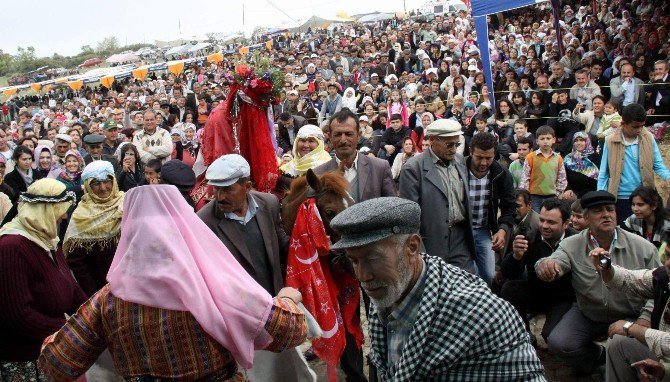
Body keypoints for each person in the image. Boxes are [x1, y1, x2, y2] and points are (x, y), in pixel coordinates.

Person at [37, 185, 310, 381]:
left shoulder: (109, 299)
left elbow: (57, 363)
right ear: (184, 227)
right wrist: (286, 298)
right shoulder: (215, 286)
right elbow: (291, 332)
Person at [329, 197, 545, 381]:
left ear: (412, 247)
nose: (362, 276)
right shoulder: (390, 293)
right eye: (354, 261)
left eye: (373, 259)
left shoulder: (482, 313)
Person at [197, 154, 316, 382]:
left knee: (282, 369)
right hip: (240, 316)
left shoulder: (268, 204)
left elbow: (280, 241)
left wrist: (306, 246)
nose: (219, 197)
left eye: (227, 189)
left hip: (275, 304)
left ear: (247, 187)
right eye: (215, 190)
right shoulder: (204, 221)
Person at [535, 191, 660, 376]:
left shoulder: (643, 247)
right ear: (586, 217)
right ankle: (596, 357)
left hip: (630, 315)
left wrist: (645, 317)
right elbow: (554, 262)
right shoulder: (572, 244)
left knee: (628, 347)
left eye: (610, 209)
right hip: (589, 313)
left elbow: (659, 287)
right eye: (598, 211)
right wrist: (546, 266)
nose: (606, 214)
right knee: (559, 343)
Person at [0, 179, 85, 380]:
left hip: (50, 350)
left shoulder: (47, 240)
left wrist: (94, 314)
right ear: (43, 211)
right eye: (60, 210)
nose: (64, 216)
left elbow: (71, 289)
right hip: (25, 360)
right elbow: (18, 316)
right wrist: (71, 333)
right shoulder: (12, 247)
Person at [399, 119, 477, 273]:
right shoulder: (413, 169)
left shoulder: (460, 161)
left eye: (457, 144)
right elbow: (409, 218)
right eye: (449, 144)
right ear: (432, 140)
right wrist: (420, 253)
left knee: (466, 288)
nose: (454, 149)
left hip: (461, 239)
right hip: (431, 242)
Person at [594, 233, 670, 382]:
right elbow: (631, 280)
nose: (668, 263)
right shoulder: (664, 277)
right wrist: (606, 267)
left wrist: (631, 328)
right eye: (667, 256)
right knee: (619, 343)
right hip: (665, 357)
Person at [501, 198, 576, 343]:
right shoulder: (529, 237)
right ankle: (523, 334)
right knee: (509, 288)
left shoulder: (576, 240)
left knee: (552, 337)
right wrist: (516, 256)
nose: (544, 226)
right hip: (537, 292)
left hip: (564, 299)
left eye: (551, 222)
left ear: (566, 224)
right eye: (542, 220)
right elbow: (509, 273)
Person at [598, 104, 670, 225]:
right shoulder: (610, 141)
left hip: (645, 197)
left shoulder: (649, 138)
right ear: (623, 123)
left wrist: (668, 177)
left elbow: (658, 165)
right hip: (620, 198)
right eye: (635, 127)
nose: (639, 130)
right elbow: (604, 173)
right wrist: (601, 196)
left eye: (642, 126)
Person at [63, 161, 124, 297]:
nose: (103, 188)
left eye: (107, 181)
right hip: (99, 289)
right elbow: (77, 262)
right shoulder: (81, 215)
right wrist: (95, 295)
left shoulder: (126, 204)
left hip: (129, 284)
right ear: (88, 187)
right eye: (96, 183)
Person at [465, 132, 516, 285]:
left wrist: (502, 229)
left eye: (488, 158)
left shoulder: (501, 173)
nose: (483, 162)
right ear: (470, 151)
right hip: (460, 231)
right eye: (479, 157)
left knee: (488, 275)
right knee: (467, 273)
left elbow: (509, 205)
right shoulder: (458, 169)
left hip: (483, 230)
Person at [313, 109, 395, 203]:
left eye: (348, 134)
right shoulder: (319, 174)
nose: (343, 140)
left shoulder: (380, 168)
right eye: (338, 134)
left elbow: (392, 208)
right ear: (330, 137)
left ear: (359, 135)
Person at [520, 126, 567, 212]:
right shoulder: (530, 157)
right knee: (535, 219)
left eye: (548, 138)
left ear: (553, 140)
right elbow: (525, 177)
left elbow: (562, 178)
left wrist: (558, 193)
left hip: (552, 196)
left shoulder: (558, 158)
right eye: (542, 139)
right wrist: (526, 195)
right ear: (537, 141)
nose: (545, 141)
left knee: (549, 218)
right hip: (534, 196)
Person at [562, 132, 599, 199]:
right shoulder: (569, 158)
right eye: (576, 140)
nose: (578, 143)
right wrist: (567, 189)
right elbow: (564, 177)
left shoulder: (596, 157)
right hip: (575, 193)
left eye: (581, 140)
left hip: (594, 193)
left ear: (587, 142)